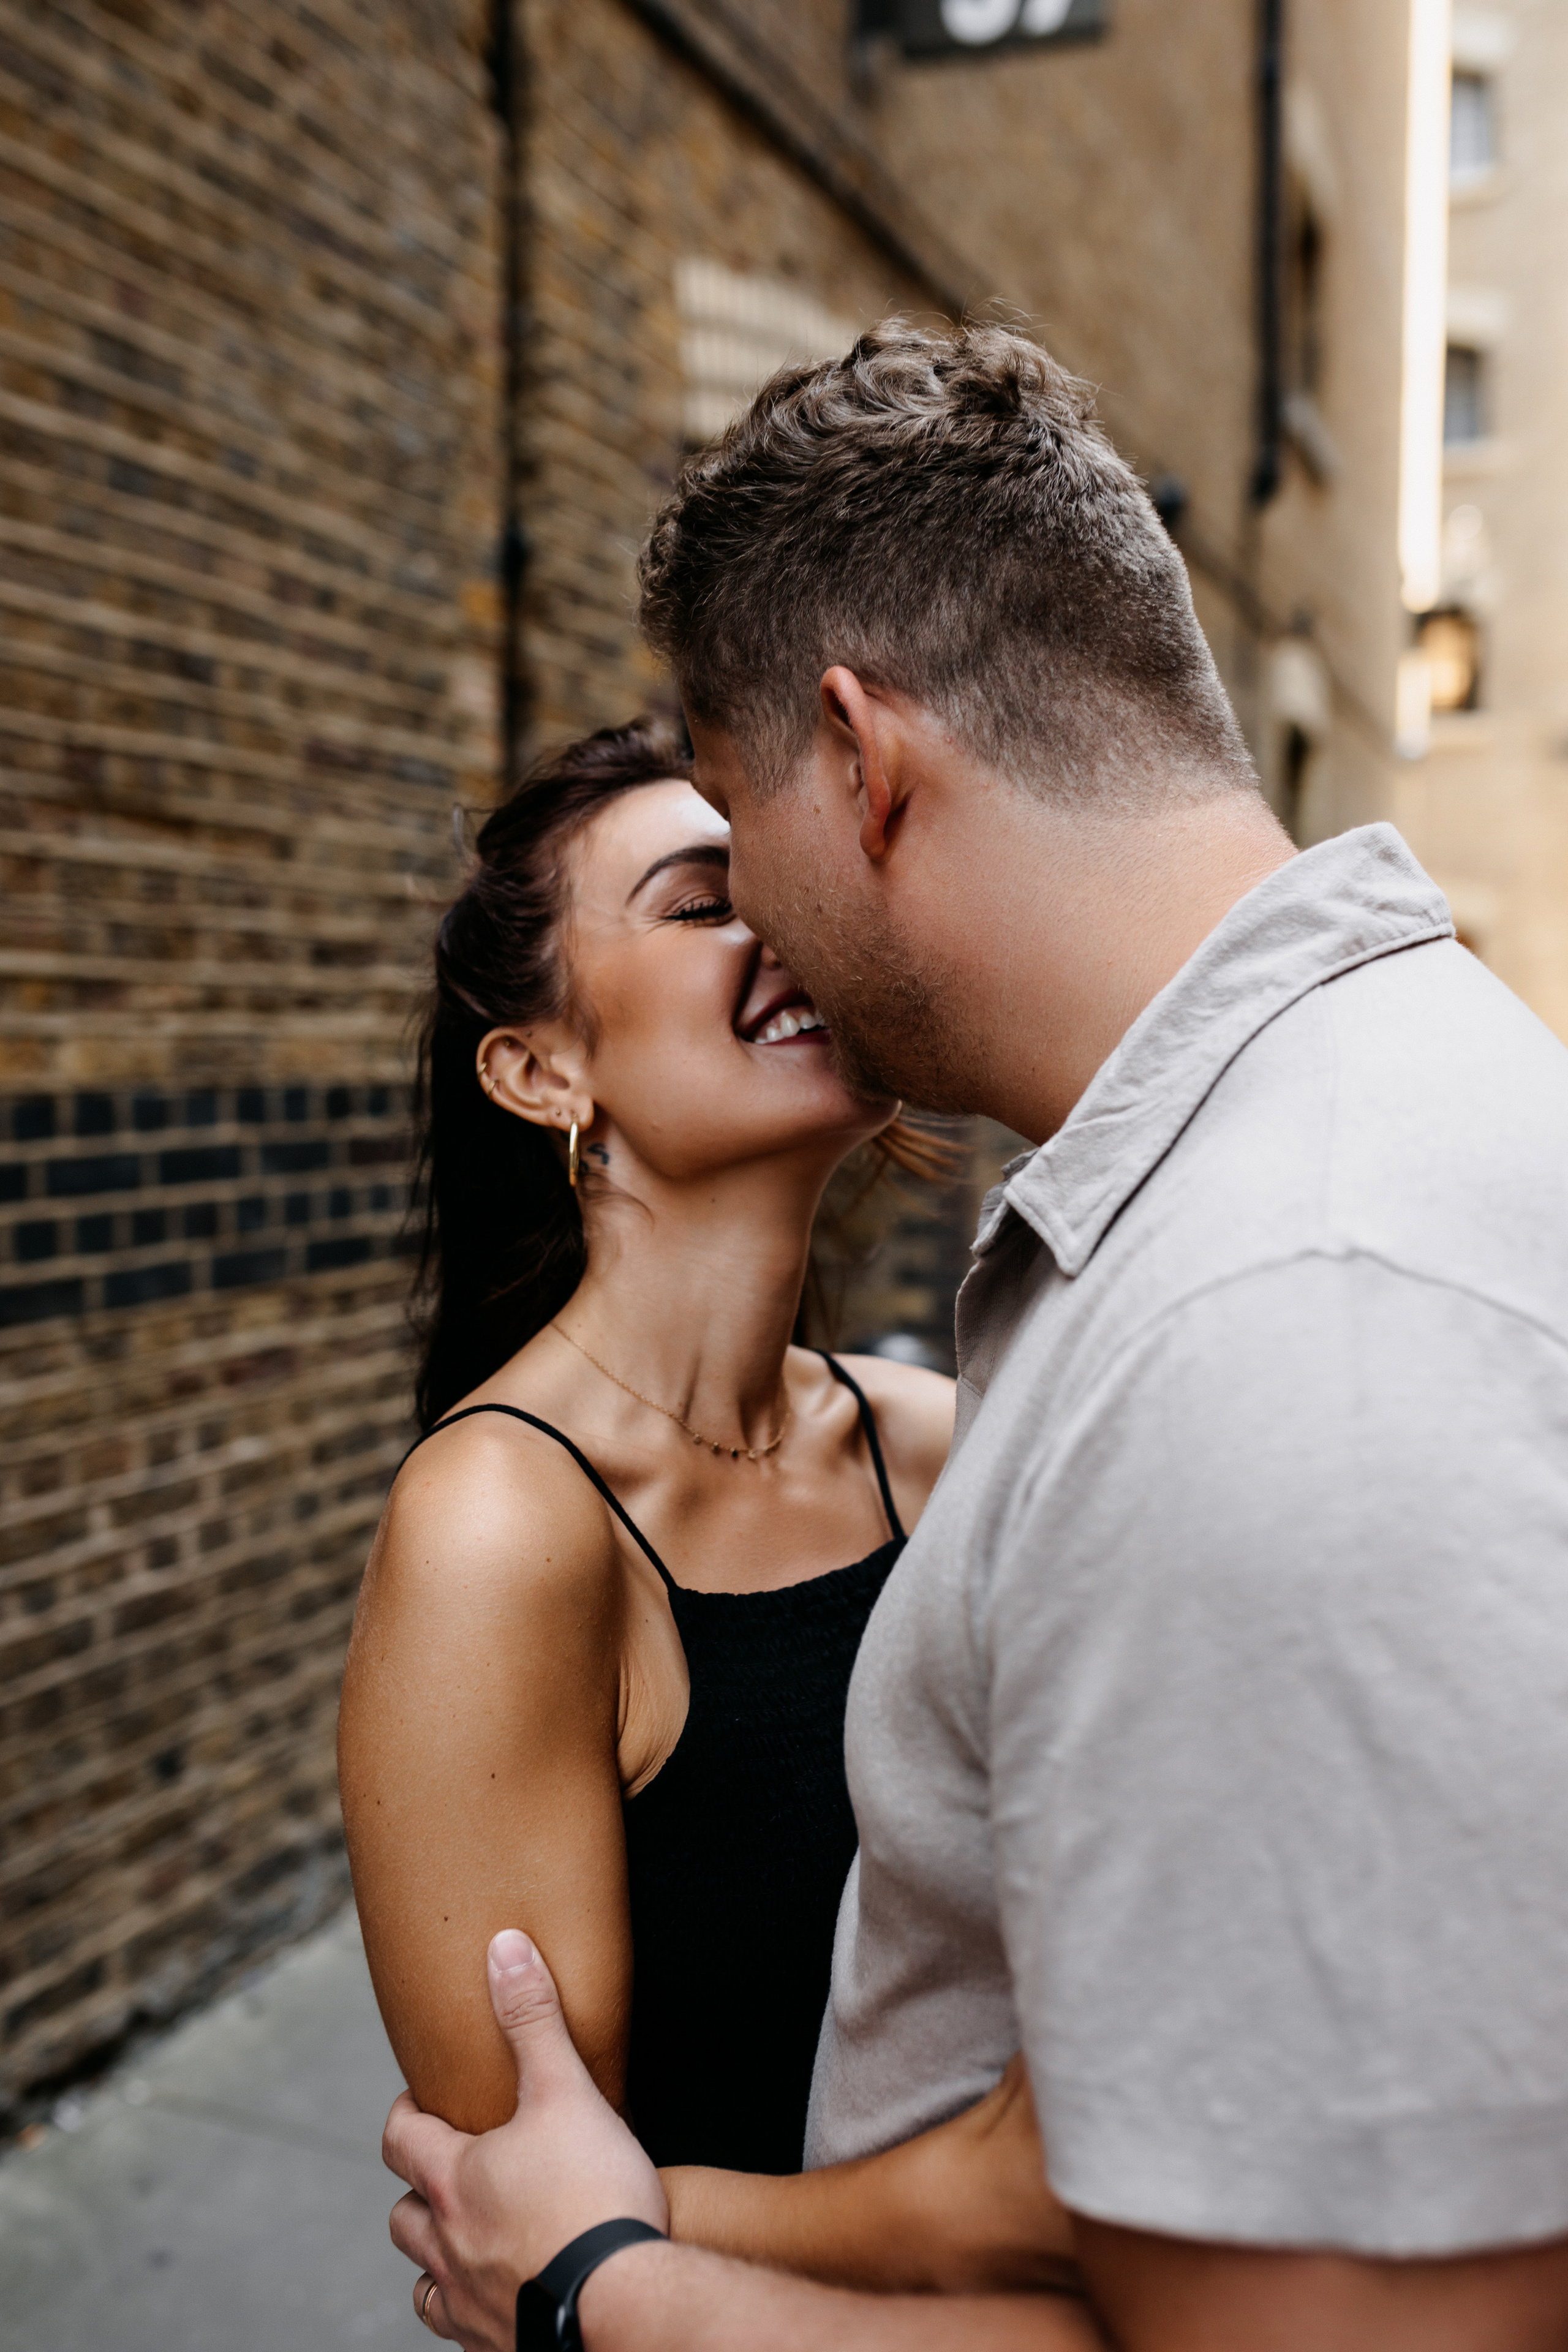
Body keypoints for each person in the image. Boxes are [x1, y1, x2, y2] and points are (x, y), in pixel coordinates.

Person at [383, 323, 1568, 2349]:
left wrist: (613, 2277)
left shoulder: (1278, 1324)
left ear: (864, 762)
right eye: (692, 894)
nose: (761, 908)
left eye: (741, 819)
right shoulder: (1223, 1255)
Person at [337, 719, 1071, 2282]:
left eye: (782, 888)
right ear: (541, 1072)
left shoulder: (944, 1442)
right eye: (698, 901)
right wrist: (1000, 2201)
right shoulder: (501, 1526)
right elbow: (525, 2228)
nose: (784, 927)